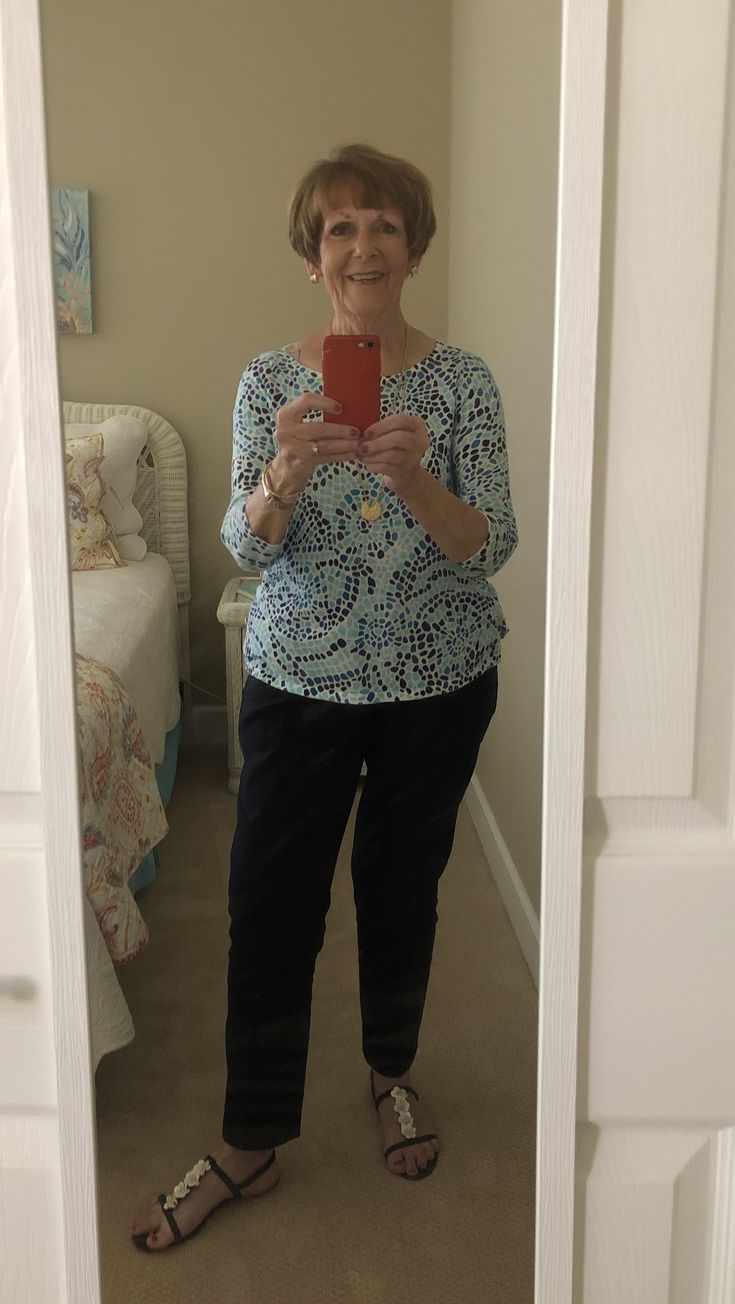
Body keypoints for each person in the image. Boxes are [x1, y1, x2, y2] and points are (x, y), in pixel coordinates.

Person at [131, 142, 517, 1252]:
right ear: (313, 255)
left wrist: (413, 475)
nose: (363, 245)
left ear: (413, 247)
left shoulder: (465, 383)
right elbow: (243, 549)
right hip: (297, 681)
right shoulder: (269, 383)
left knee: (403, 890)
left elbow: (489, 545)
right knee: (269, 905)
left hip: (439, 684)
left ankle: (391, 1073)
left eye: (384, 224)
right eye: (340, 228)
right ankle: (249, 1139)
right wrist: (282, 476)